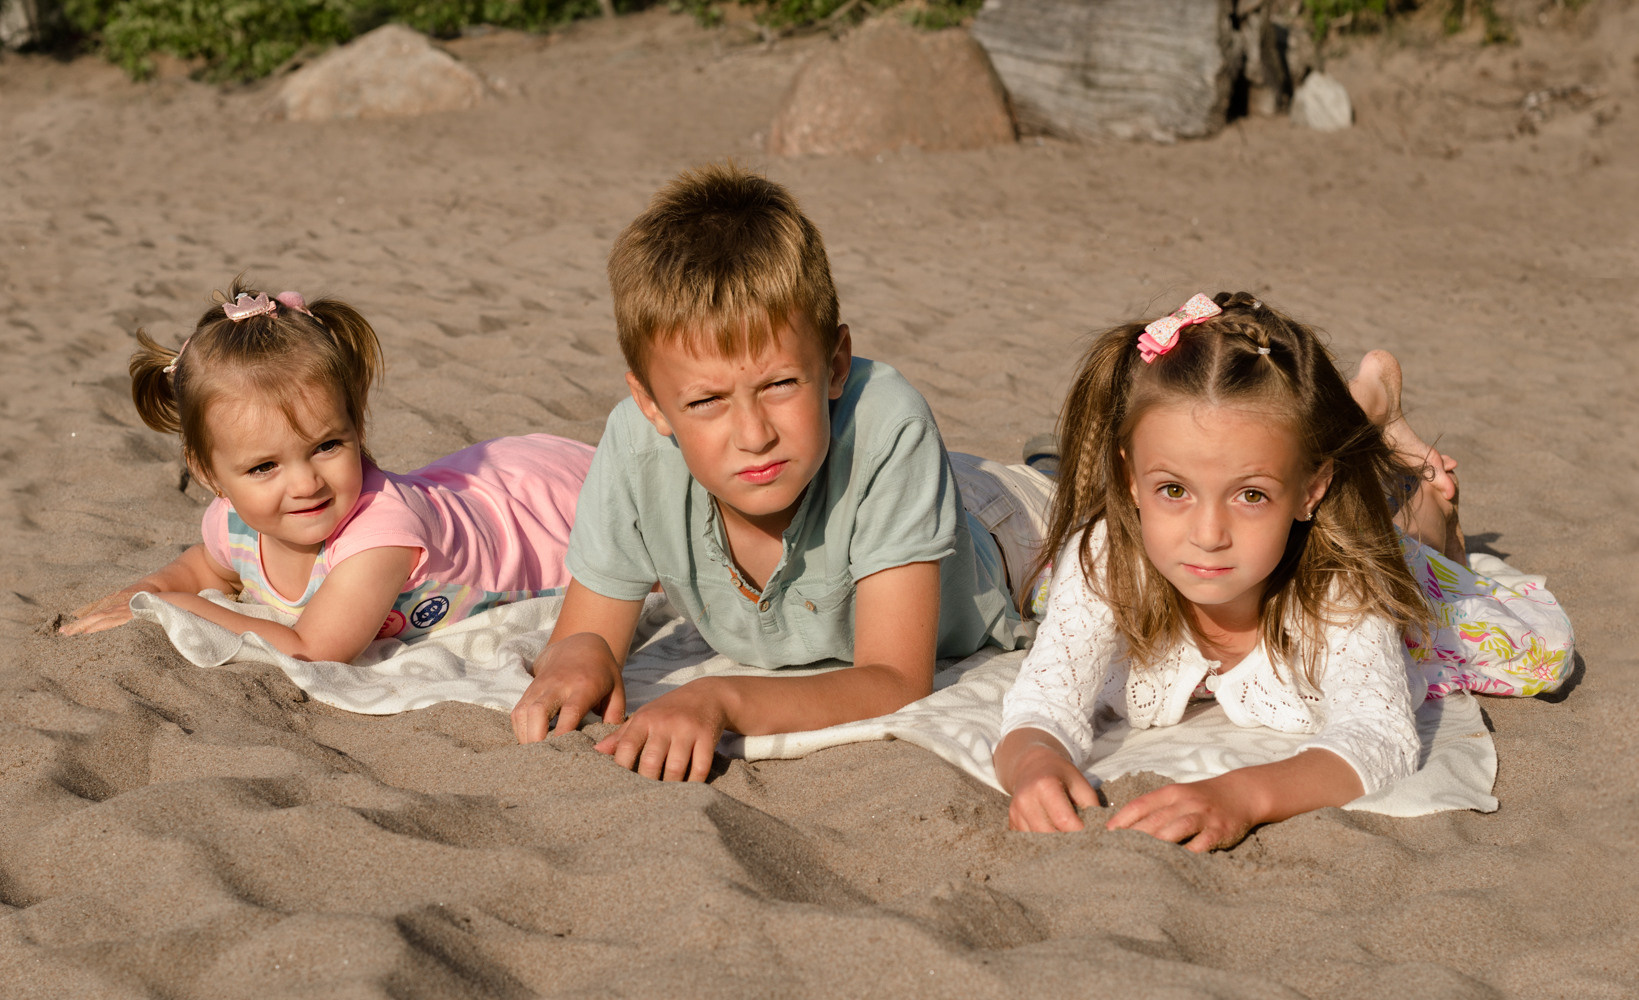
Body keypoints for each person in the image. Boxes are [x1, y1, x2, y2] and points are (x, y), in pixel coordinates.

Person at [509, 164, 1050, 780]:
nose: (754, 435)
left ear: (837, 364)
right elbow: (588, 637)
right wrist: (576, 656)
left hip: (999, 529)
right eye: (707, 401)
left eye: (782, 384)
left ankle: (1050, 466)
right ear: (652, 405)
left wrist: (722, 698)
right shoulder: (634, 447)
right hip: (880, 476)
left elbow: (896, 679)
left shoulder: (888, 425)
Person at [994, 292, 1573, 850]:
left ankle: (1424, 492)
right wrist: (1034, 761)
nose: (1208, 534)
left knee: (1418, 564)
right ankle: (1360, 422)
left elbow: (1380, 736)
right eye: (1173, 489)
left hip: (1351, 551)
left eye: (1249, 494)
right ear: (1129, 479)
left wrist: (1242, 796)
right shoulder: (1106, 559)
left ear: (1309, 490)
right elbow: (1044, 700)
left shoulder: (1342, 583)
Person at [61, 279, 594, 662]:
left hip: (542, 509)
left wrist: (171, 607)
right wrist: (148, 589)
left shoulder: (379, 537)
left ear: (356, 427)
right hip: (477, 490)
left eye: (326, 446)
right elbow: (205, 568)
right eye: (264, 466)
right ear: (210, 475)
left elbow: (314, 648)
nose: (305, 483)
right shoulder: (235, 522)